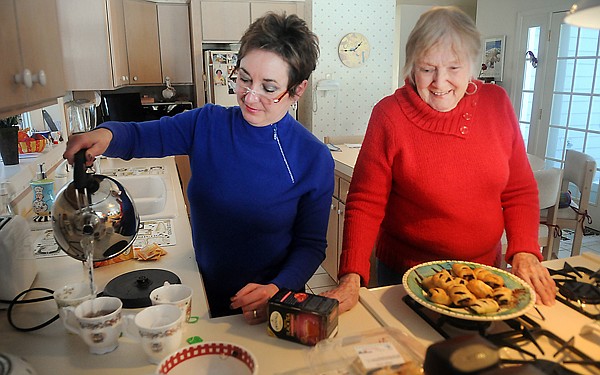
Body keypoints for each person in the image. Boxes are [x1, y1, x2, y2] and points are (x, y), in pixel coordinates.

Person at [63, 13, 334, 323]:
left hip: (270, 305)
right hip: (202, 289)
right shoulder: (207, 124)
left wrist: (276, 289)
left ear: (297, 90)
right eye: (244, 78)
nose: (250, 95)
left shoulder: (312, 158)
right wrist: (106, 134)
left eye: (269, 87)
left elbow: (311, 245)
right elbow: (142, 136)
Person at [322, 6, 556, 313]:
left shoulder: (497, 104)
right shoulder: (389, 115)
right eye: (427, 68)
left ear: (472, 66)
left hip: (483, 272)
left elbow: (519, 190)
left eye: (454, 68)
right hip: (405, 275)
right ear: (411, 67)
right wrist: (351, 276)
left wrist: (524, 250)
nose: (440, 82)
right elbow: (365, 202)